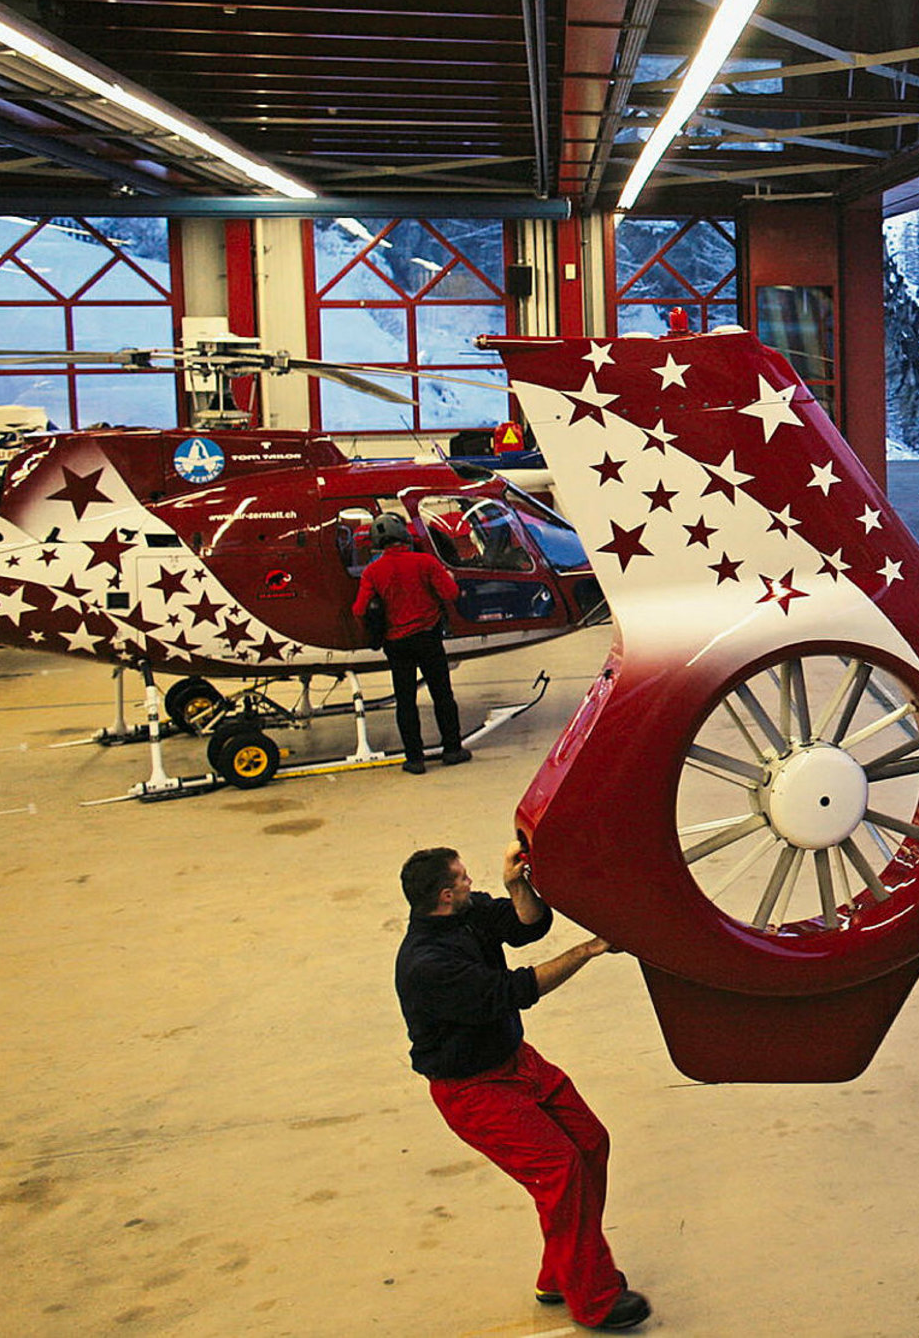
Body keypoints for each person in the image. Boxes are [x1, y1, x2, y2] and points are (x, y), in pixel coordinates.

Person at [395, 843, 651, 1332]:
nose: (473, 883)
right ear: (446, 895)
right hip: (472, 1089)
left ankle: (559, 1275)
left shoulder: (466, 915)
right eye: (464, 878)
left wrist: (518, 885)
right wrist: (590, 949)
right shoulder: (427, 964)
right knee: (560, 1170)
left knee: (590, 1142)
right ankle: (593, 1300)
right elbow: (516, 991)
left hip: (517, 1062)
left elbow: (526, 925)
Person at [353, 512, 465, 773]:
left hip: (396, 643)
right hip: (428, 638)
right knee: (442, 695)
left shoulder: (372, 571)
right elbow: (450, 593)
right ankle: (453, 750)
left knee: (405, 702)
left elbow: (359, 609)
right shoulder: (425, 562)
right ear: (404, 536)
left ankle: (414, 759)